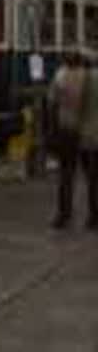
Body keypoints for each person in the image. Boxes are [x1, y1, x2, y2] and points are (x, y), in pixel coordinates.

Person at [48, 51, 90, 229]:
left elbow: (51, 102)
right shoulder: (89, 78)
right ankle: (94, 216)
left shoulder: (60, 76)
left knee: (66, 174)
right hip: (87, 131)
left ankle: (63, 215)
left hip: (65, 129)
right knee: (92, 176)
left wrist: (51, 129)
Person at [76, 55, 98, 230]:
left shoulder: (88, 79)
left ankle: (94, 216)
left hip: (90, 136)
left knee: (92, 178)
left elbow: (80, 105)